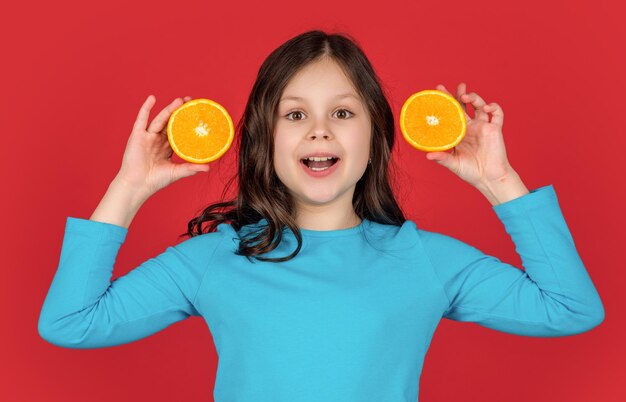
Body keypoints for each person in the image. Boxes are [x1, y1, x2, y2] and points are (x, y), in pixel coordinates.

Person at [38, 30, 605, 401]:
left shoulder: (424, 259)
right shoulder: (215, 258)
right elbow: (70, 323)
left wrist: (498, 181)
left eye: (341, 111)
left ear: (375, 134)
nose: (319, 130)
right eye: (294, 114)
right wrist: (128, 187)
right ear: (266, 136)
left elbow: (571, 310)